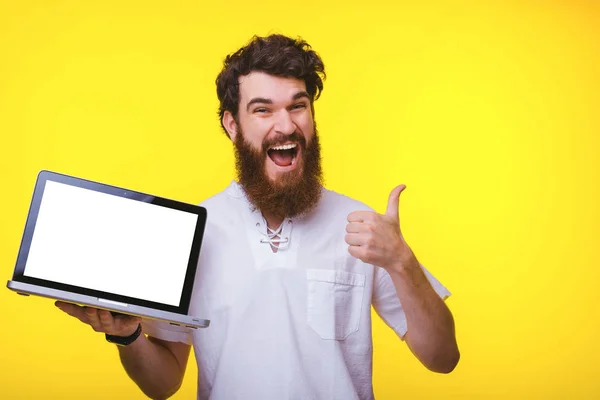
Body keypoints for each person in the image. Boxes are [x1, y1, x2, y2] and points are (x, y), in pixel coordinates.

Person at [56, 34, 460, 400]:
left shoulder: (365, 228)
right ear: (232, 125)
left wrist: (402, 261)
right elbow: (163, 384)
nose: (286, 125)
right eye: (263, 110)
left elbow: (443, 357)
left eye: (298, 106)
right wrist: (128, 335)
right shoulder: (196, 231)